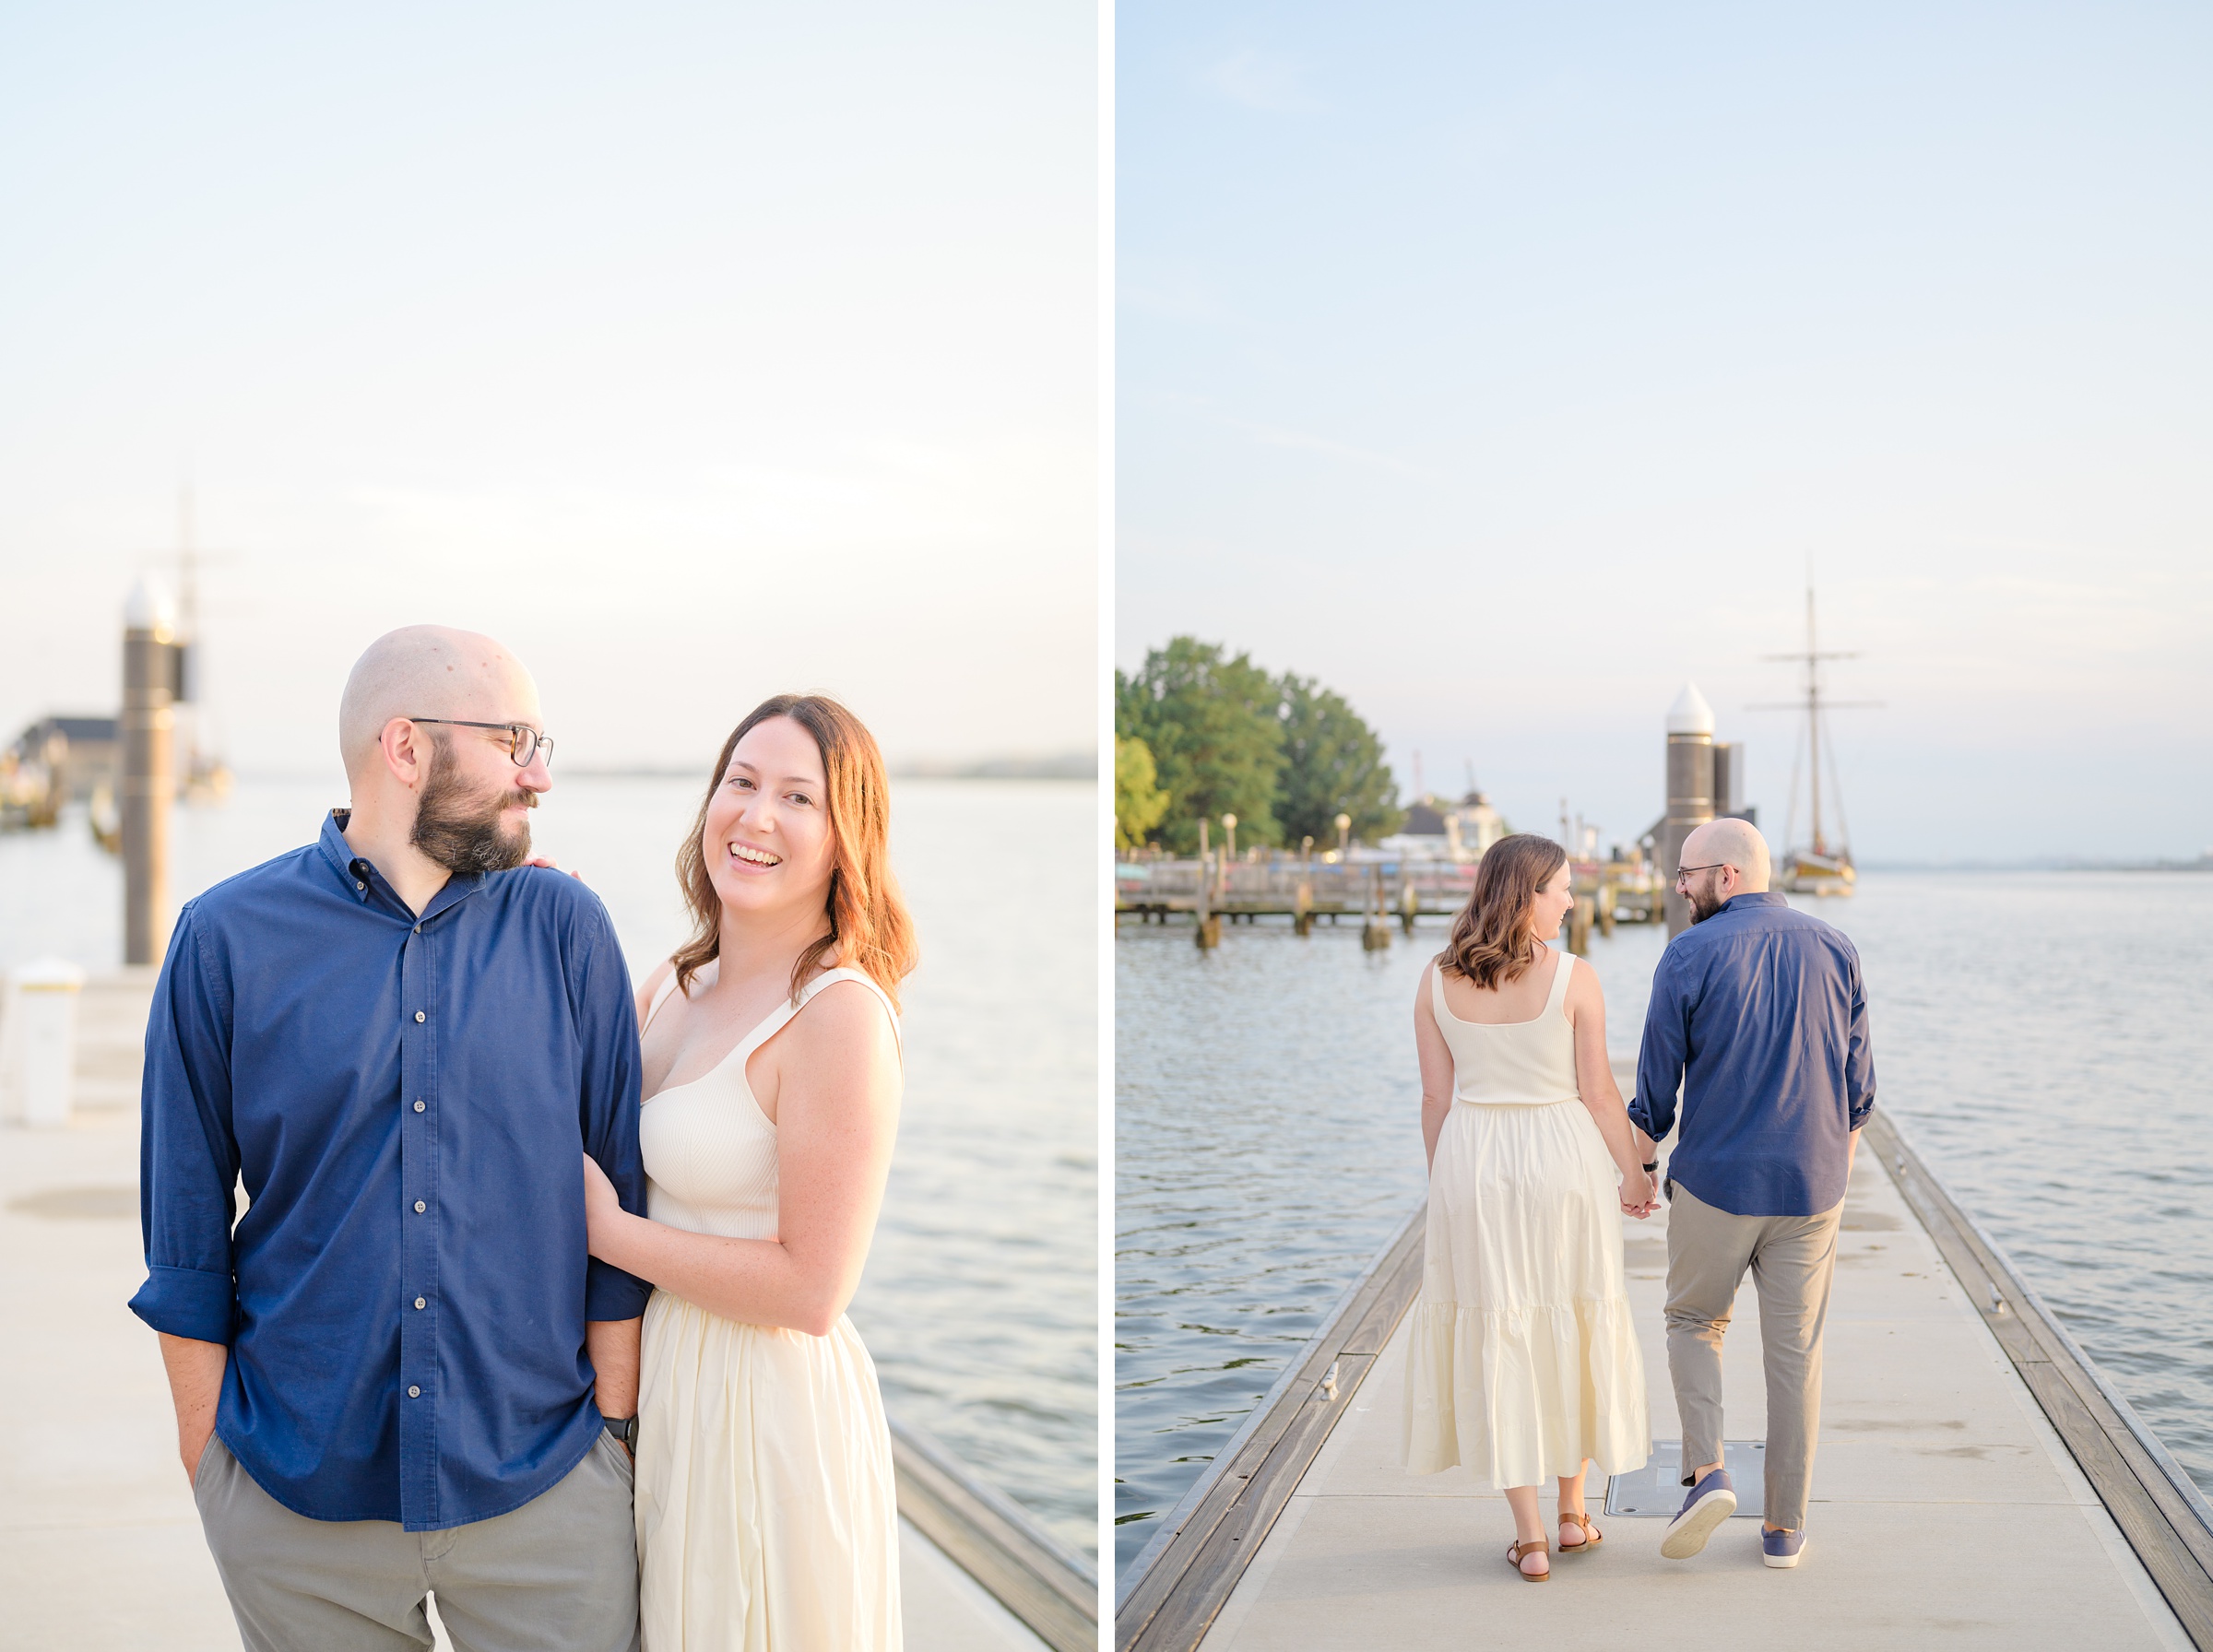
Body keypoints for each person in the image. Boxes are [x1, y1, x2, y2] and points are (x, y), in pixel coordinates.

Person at [129, 626, 650, 1652]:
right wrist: (212, 1468)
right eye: (516, 740)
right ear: (405, 747)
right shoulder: (223, 938)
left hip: (546, 1494)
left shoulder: (566, 929)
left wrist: (616, 1445)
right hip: (294, 1506)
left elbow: (618, 1208)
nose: (538, 775)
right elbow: (184, 1235)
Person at [579, 693, 917, 1651]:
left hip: (765, 1410)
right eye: (742, 781)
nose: (758, 815)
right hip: (666, 1390)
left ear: (847, 835)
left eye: (798, 797)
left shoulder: (839, 1012)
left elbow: (814, 1288)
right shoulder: (672, 986)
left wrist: (610, 1232)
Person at [1402, 832, 1655, 1582]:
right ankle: (1575, 1514)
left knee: (1502, 1330)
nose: (1572, 901)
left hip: (1474, 1158)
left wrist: (1443, 1184)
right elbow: (1601, 1095)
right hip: (1561, 1158)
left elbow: (1435, 1098)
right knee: (1574, 1318)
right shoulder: (1576, 977)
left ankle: (1533, 1535)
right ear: (1527, 895)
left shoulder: (1435, 979)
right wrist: (1636, 1173)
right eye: (1563, 889)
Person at [1629, 816, 1876, 1571]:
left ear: (1726, 875)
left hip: (1716, 1183)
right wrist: (1829, 1176)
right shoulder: (1837, 949)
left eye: (1687, 874)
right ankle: (1785, 1530)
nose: (1679, 887)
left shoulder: (1687, 953)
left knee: (1693, 1322)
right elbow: (1859, 1094)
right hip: (1812, 1188)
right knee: (1796, 1353)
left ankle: (1707, 1475)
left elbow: (1653, 1096)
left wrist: (1639, 1173)